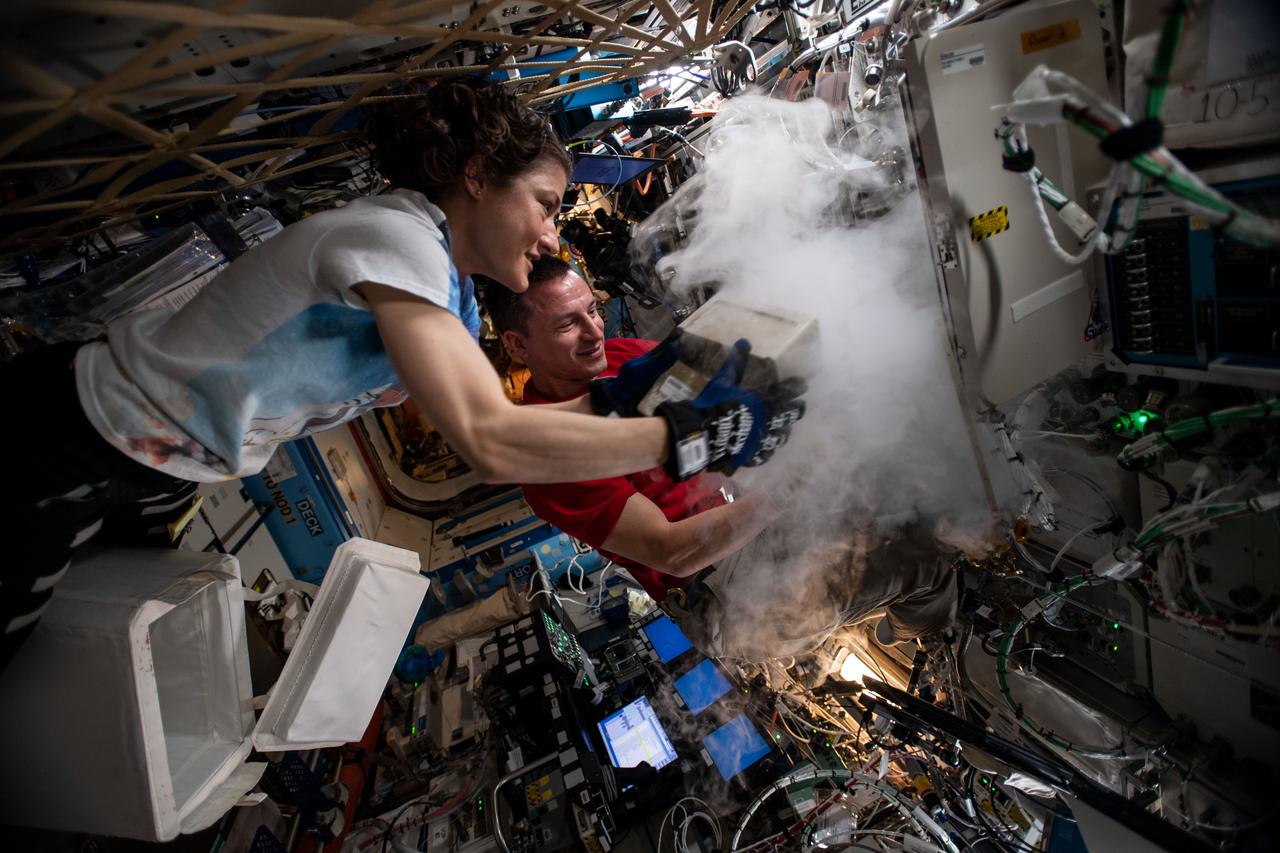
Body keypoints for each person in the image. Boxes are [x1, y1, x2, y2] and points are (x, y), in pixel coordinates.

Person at [0, 79, 806, 670]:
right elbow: (493, 439)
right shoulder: (397, 238)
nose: (551, 231)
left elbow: (501, 408)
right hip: (78, 432)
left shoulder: (448, 294)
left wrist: (614, 395)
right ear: (479, 173)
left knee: (78, 646)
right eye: (545, 201)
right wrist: (685, 437)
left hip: (161, 466)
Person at [487, 257, 957, 662]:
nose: (594, 332)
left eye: (593, 310)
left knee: (896, 488)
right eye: (568, 324)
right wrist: (788, 489)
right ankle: (919, 635)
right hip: (720, 591)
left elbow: (729, 394)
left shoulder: (623, 359)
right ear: (518, 345)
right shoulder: (548, 462)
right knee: (924, 557)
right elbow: (671, 551)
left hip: (748, 514)